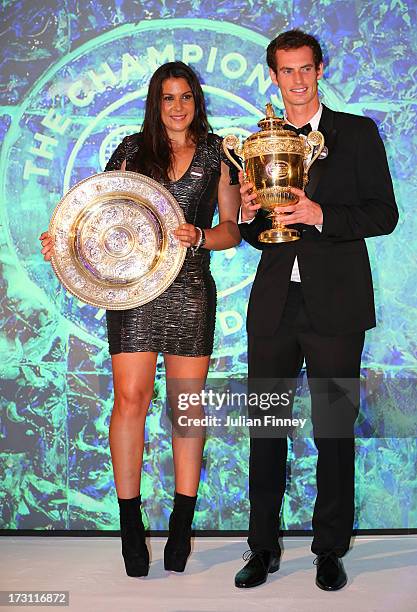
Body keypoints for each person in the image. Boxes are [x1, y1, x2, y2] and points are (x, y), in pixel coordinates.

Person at [40, 61, 241, 577]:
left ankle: (180, 524)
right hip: (132, 295)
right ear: (156, 103)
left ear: (197, 101)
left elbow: (231, 231)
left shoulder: (220, 154)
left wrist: (200, 236)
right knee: (130, 399)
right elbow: (97, 215)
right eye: (168, 98)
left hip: (191, 291)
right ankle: (130, 525)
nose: (177, 108)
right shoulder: (131, 150)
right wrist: (62, 243)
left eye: (186, 98)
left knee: (186, 410)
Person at [234, 29, 398, 591]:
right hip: (275, 306)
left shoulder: (356, 133)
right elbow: (257, 234)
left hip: (337, 305)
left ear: (320, 70)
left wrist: (319, 213)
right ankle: (262, 548)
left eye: (306, 69)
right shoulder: (260, 141)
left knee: (333, 428)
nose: (297, 80)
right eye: (286, 71)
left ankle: (329, 549)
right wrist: (253, 213)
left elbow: (384, 214)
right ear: (274, 77)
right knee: (266, 429)